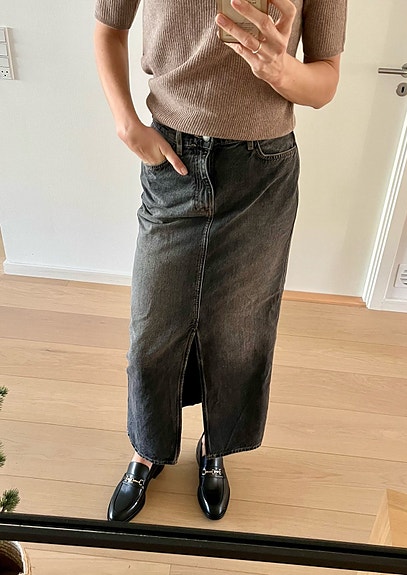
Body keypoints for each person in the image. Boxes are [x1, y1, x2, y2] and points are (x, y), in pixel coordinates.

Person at [94, 0, 347, 522]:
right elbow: (108, 27)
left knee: (238, 333)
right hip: (172, 159)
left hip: (262, 173)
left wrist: (281, 70)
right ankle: (147, 450)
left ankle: (215, 447)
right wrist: (126, 123)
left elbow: (325, 81)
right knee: (152, 336)